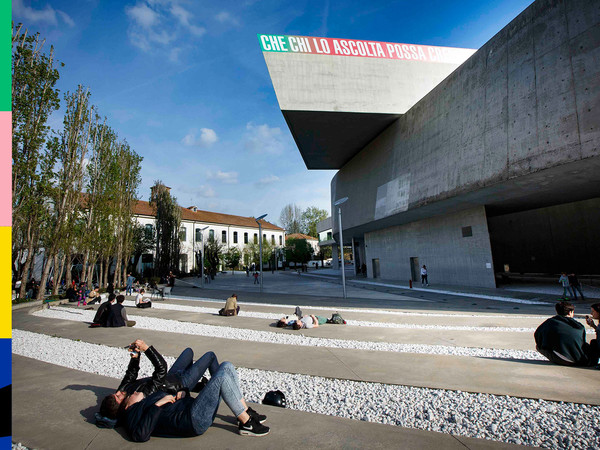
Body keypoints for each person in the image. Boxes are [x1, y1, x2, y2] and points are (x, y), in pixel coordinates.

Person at [122, 360, 269, 441]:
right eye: (130, 395)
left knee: (227, 366)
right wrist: (158, 404)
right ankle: (246, 424)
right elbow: (140, 435)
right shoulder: (132, 414)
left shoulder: (141, 404)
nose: (134, 392)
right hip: (192, 420)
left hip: (191, 409)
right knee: (221, 378)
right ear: (126, 405)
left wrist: (182, 393)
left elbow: (171, 398)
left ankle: (245, 411)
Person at [99, 339, 219, 420]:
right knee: (210, 356)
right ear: (122, 406)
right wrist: (146, 348)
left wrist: (135, 356)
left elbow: (131, 373)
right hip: (180, 383)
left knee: (189, 351)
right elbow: (161, 368)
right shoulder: (140, 398)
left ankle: (197, 386)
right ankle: (220, 387)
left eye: (116, 393)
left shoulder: (123, 391)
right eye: (118, 396)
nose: (119, 392)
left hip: (170, 376)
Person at [534, 301, 597, 366]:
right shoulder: (579, 326)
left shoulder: (550, 322)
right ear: (570, 312)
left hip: (561, 358)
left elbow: (538, 336)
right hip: (579, 359)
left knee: (538, 347)